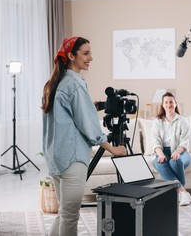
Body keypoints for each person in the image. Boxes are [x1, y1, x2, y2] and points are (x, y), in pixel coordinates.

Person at [41, 36, 127, 236]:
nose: (91, 58)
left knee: (64, 213)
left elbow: (64, 117)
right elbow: (90, 128)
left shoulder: (54, 83)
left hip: (56, 158)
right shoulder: (76, 84)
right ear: (71, 56)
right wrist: (113, 149)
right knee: (70, 216)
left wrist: (90, 106)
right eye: (86, 53)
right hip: (72, 160)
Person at [151, 92, 191, 206]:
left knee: (174, 161)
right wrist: (160, 154)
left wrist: (177, 152)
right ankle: (183, 192)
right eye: (166, 102)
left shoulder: (183, 121)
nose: (168, 104)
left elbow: (184, 142)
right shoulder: (157, 121)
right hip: (163, 151)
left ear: (175, 104)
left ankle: (180, 193)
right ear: (162, 105)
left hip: (181, 151)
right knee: (158, 162)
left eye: (171, 102)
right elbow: (155, 141)